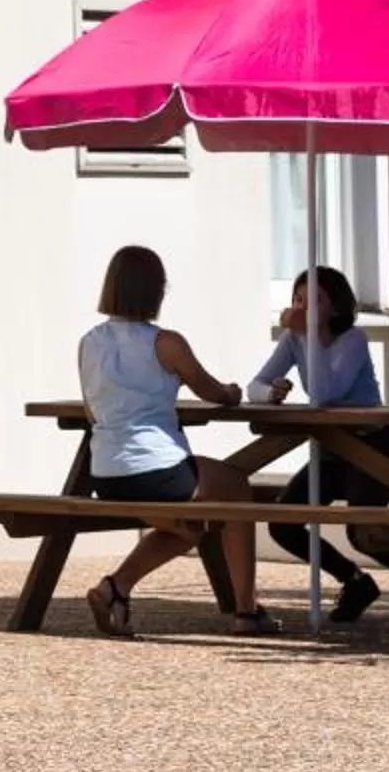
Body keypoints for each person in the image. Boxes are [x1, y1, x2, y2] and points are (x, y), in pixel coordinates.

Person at [77, 245, 279, 639]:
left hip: (104, 471)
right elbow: (212, 392)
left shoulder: (89, 342)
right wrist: (234, 393)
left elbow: (90, 411)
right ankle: (246, 611)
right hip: (156, 469)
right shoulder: (166, 343)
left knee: (191, 527)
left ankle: (115, 588)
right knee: (236, 488)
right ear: (156, 291)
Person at [247, 264, 389, 624]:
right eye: (298, 299)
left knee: (362, 530)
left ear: (336, 307)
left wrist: (310, 335)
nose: (302, 307)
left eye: (314, 301)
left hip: (371, 446)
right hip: (332, 447)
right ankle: (354, 581)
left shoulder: (353, 339)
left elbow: (327, 391)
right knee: (285, 521)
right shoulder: (294, 340)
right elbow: (255, 386)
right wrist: (270, 392)